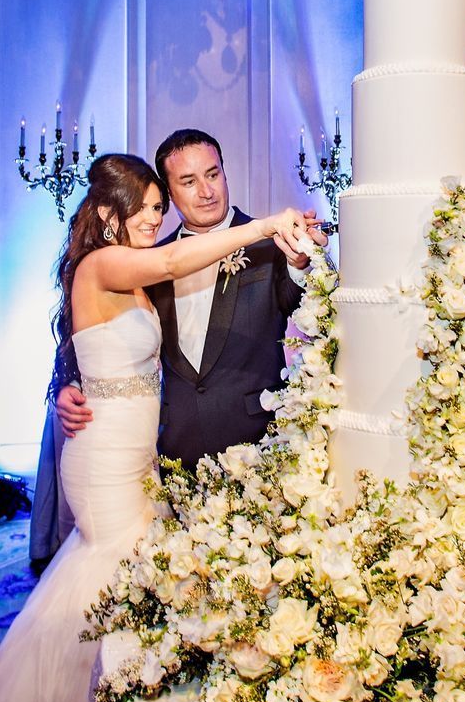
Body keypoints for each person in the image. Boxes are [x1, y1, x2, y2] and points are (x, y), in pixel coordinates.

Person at [0, 153, 307, 702]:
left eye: (161, 209)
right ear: (109, 213)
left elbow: (90, 340)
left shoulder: (131, 275)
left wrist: (70, 380)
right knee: (108, 575)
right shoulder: (107, 263)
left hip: (143, 455)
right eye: (150, 207)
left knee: (127, 578)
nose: (157, 219)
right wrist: (266, 222)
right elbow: (161, 268)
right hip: (103, 458)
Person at [56, 128, 325, 469]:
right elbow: (100, 332)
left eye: (213, 174)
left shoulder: (271, 244)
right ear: (170, 191)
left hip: (258, 447)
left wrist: (299, 260)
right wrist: (73, 383)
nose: (206, 191)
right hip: (175, 450)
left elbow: (303, 305)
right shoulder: (150, 260)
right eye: (188, 181)